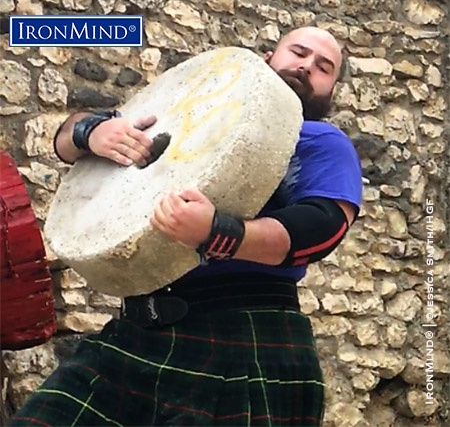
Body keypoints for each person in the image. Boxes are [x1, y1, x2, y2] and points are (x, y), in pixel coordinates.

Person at [9, 26, 362, 426]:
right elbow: (66, 142)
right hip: (133, 335)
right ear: (266, 58)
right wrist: (92, 131)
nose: (306, 66)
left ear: (330, 92)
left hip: (243, 340)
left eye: (323, 68)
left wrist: (219, 233)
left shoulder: (320, 141)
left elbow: (323, 227)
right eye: (298, 52)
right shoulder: (192, 107)